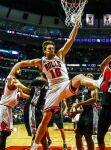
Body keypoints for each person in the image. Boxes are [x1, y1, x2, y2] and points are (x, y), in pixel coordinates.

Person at [11, 18, 104, 150]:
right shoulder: (40, 61)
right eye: (49, 49)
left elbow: (70, 40)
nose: (52, 50)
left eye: (53, 48)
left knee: (79, 77)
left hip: (65, 85)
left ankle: (98, 83)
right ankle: (35, 146)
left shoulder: (60, 54)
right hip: (53, 90)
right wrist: (14, 70)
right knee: (45, 120)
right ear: (44, 50)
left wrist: (76, 25)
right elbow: (22, 63)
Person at [0, 67, 30, 150]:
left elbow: (23, 95)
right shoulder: (11, 80)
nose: (20, 70)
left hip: (8, 109)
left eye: (20, 69)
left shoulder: (17, 84)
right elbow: (24, 88)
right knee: (4, 133)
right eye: (18, 69)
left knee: (7, 133)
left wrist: (33, 98)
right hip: (4, 107)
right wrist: (32, 91)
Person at [73, 73, 98, 150]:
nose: (89, 77)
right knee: (77, 135)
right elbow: (84, 107)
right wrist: (76, 112)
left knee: (88, 136)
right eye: (88, 76)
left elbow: (94, 99)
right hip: (84, 113)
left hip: (90, 113)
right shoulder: (83, 89)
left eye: (91, 76)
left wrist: (79, 103)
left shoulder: (93, 87)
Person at [24, 73, 49, 150]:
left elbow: (33, 82)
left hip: (34, 109)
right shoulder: (43, 87)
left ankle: (34, 148)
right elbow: (29, 95)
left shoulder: (41, 84)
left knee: (37, 134)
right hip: (38, 109)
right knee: (42, 134)